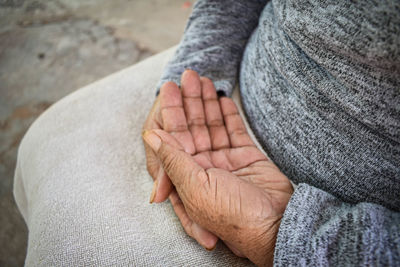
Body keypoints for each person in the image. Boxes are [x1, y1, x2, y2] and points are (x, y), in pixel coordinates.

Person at [14, 0, 399, 266]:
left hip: (328, 225)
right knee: (45, 139)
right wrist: (197, 66)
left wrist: (286, 236)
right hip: (220, 94)